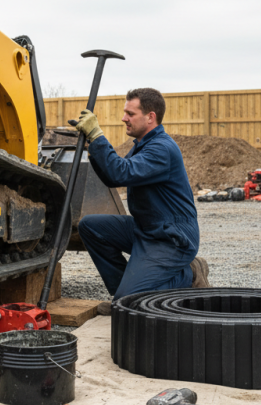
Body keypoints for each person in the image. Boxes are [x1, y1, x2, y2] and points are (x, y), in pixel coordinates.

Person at [74, 88, 209, 314]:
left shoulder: (161, 149)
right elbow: (112, 177)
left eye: (130, 113)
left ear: (150, 117)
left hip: (171, 238)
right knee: (90, 226)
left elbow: (120, 173)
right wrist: (92, 146)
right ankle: (122, 293)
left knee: (131, 304)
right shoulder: (143, 145)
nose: (124, 118)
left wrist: (97, 135)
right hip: (147, 229)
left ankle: (190, 274)